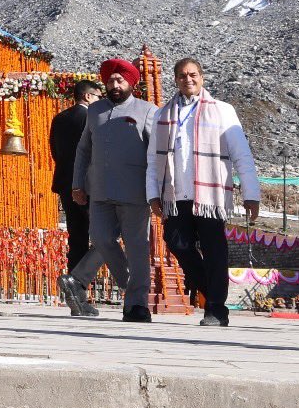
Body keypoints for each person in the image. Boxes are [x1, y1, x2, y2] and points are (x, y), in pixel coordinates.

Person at [147, 57, 261, 328]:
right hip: (176, 195)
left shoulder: (222, 110)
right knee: (177, 243)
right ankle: (213, 295)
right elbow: (154, 159)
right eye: (183, 75)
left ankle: (215, 309)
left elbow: (241, 154)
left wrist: (251, 193)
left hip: (210, 195)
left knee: (214, 250)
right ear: (175, 79)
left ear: (202, 77)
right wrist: (153, 193)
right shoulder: (163, 114)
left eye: (193, 74)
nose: (189, 79)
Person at [58, 57, 158, 322]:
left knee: (137, 248)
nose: (115, 84)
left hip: (136, 193)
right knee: (102, 240)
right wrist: (77, 184)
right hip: (99, 192)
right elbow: (83, 150)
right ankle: (133, 291)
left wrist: (158, 191)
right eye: (111, 80)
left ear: (131, 83)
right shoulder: (95, 111)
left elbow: (157, 155)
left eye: (120, 80)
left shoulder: (148, 111)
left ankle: (137, 306)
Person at [48, 80, 102, 271]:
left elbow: (54, 151)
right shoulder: (92, 118)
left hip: (65, 184)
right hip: (89, 185)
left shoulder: (60, 118)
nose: (100, 101)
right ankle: (82, 276)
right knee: (103, 235)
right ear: (88, 96)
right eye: (98, 96)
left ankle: (74, 280)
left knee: (76, 234)